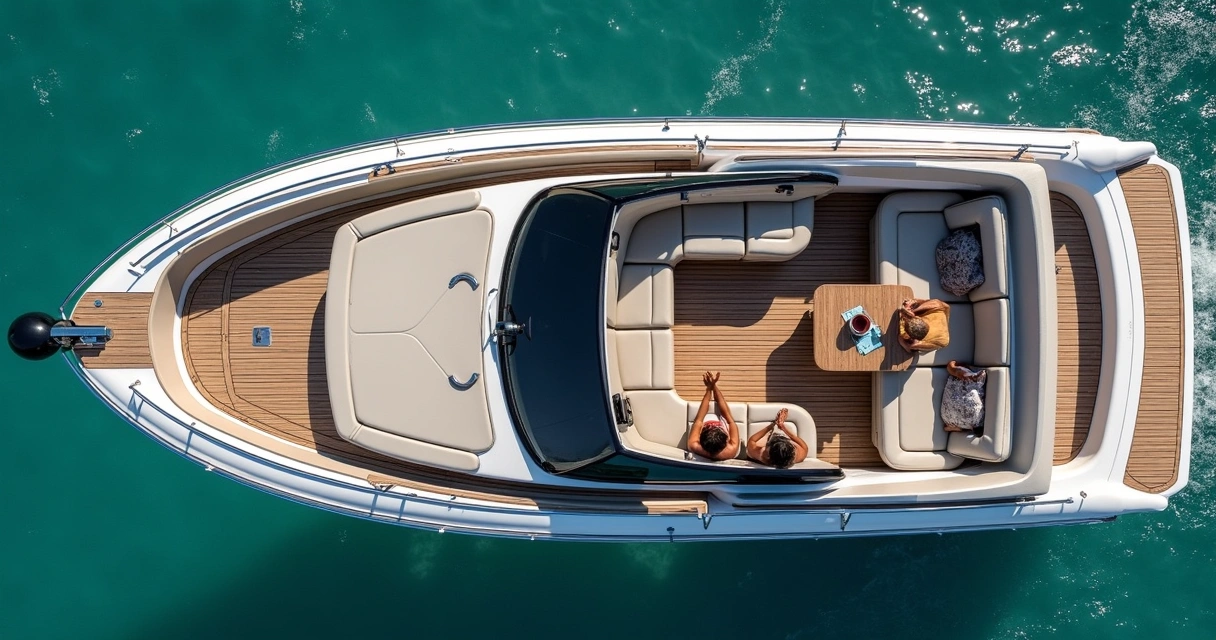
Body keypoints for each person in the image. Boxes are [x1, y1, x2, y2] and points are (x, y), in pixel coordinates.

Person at [686, 371, 741, 460]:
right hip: (726, 444)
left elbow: (699, 419)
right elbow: (729, 419)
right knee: (729, 418)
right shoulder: (731, 449)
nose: (712, 426)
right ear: (727, 441)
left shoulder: (694, 445)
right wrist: (714, 386)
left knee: (697, 422)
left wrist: (709, 389)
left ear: (701, 442)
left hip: (707, 428)